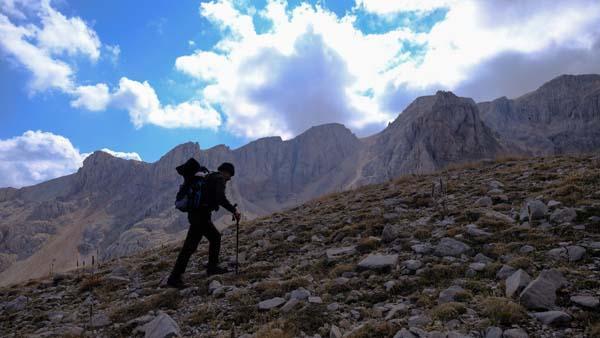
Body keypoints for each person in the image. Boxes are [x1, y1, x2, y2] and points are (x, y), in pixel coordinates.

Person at [167, 160, 241, 289]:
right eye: (230, 175)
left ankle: (177, 276)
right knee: (210, 239)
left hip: (196, 215)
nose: (229, 179)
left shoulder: (209, 176)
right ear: (226, 172)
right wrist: (233, 210)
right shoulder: (219, 179)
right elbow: (220, 198)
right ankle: (177, 277)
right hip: (201, 216)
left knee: (194, 245)